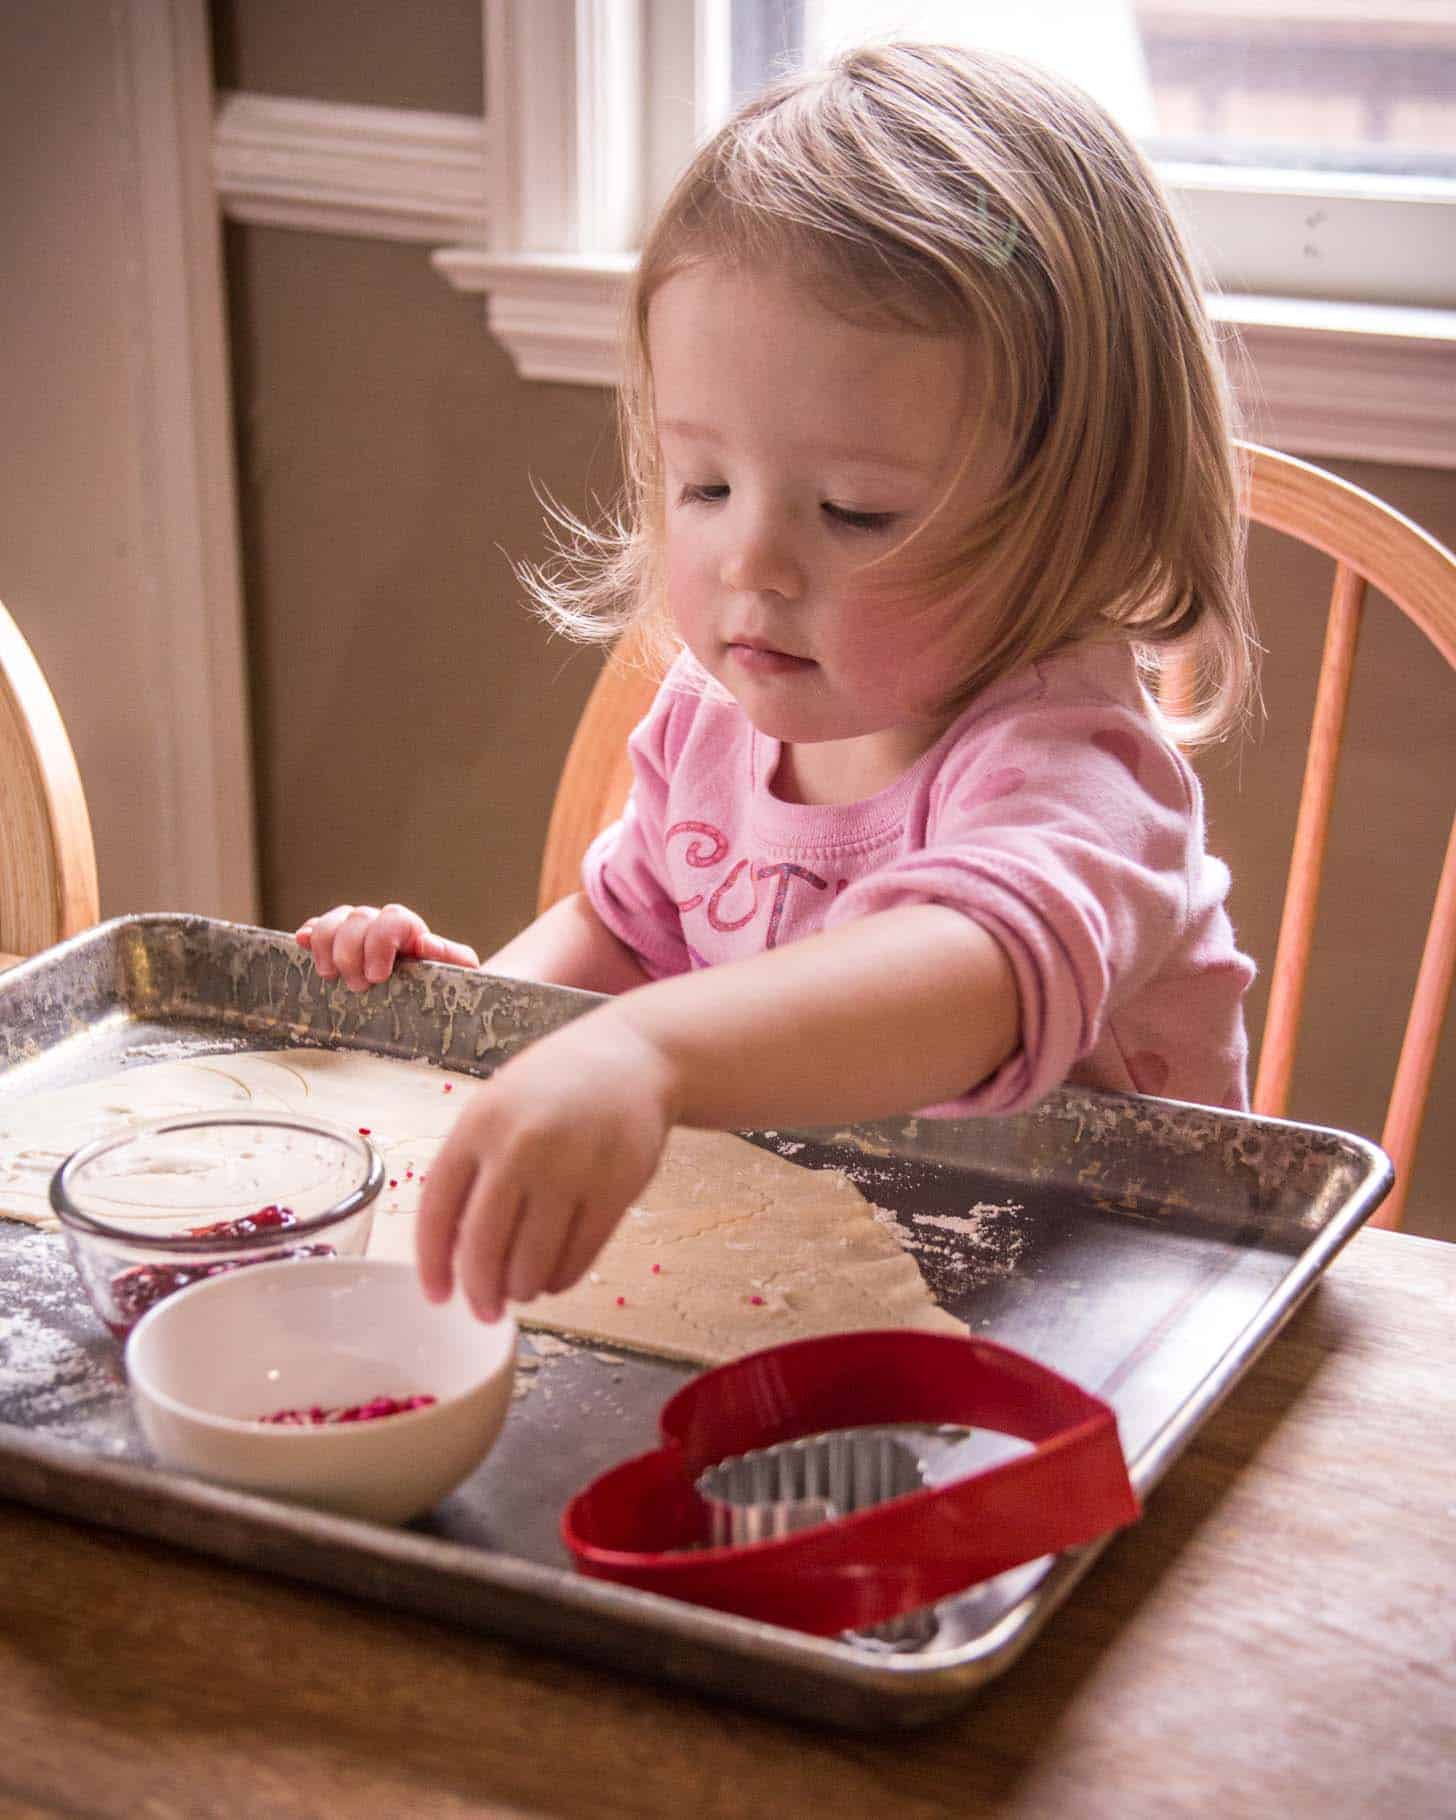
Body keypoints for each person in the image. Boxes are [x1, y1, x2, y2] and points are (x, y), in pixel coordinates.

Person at [298, 42, 1258, 1324]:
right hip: (819, 1270)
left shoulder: (1077, 771)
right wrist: (481, 1044)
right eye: (703, 483)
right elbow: (631, 931)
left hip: (1101, 1305)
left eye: (855, 510)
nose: (749, 557)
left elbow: (972, 973)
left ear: (1076, 517)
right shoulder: (713, 712)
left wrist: (641, 1052)